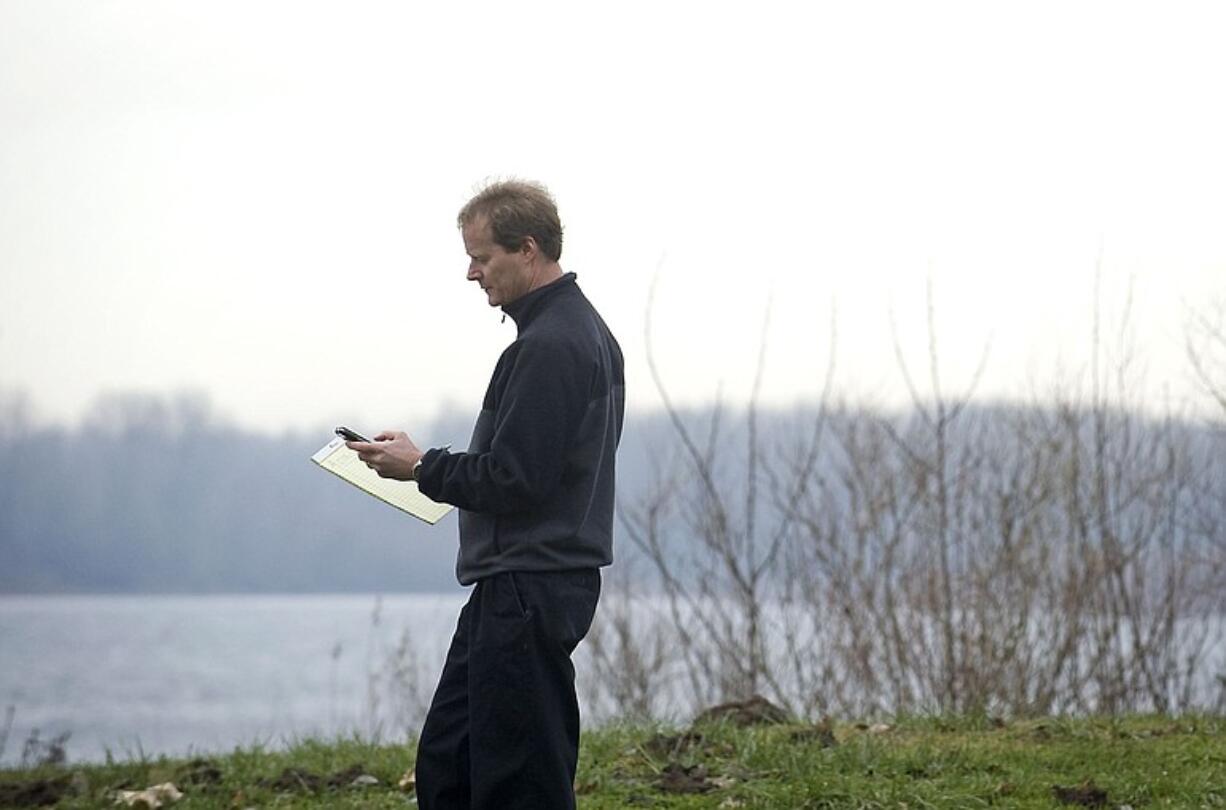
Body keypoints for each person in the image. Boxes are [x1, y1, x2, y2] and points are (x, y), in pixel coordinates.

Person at [347, 179, 625, 810]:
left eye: (482, 257)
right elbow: (533, 468)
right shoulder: (574, 335)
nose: (472, 273)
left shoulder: (552, 345)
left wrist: (421, 468)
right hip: (521, 584)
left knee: (516, 781)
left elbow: (516, 479)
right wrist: (425, 463)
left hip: (529, 586)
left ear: (527, 249)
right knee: (452, 763)